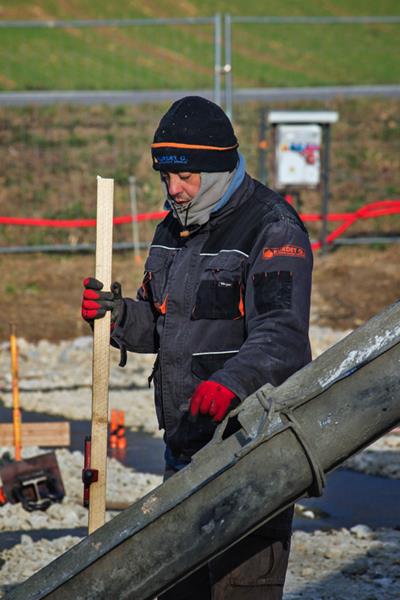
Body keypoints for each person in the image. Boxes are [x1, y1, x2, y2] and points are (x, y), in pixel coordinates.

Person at [81, 96, 313, 599]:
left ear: (216, 169)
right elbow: (163, 327)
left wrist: (231, 382)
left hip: (251, 453)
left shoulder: (272, 227)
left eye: (184, 177)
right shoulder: (173, 228)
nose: (173, 188)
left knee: (238, 590)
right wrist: (117, 317)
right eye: (165, 177)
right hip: (185, 449)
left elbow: (283, 337)